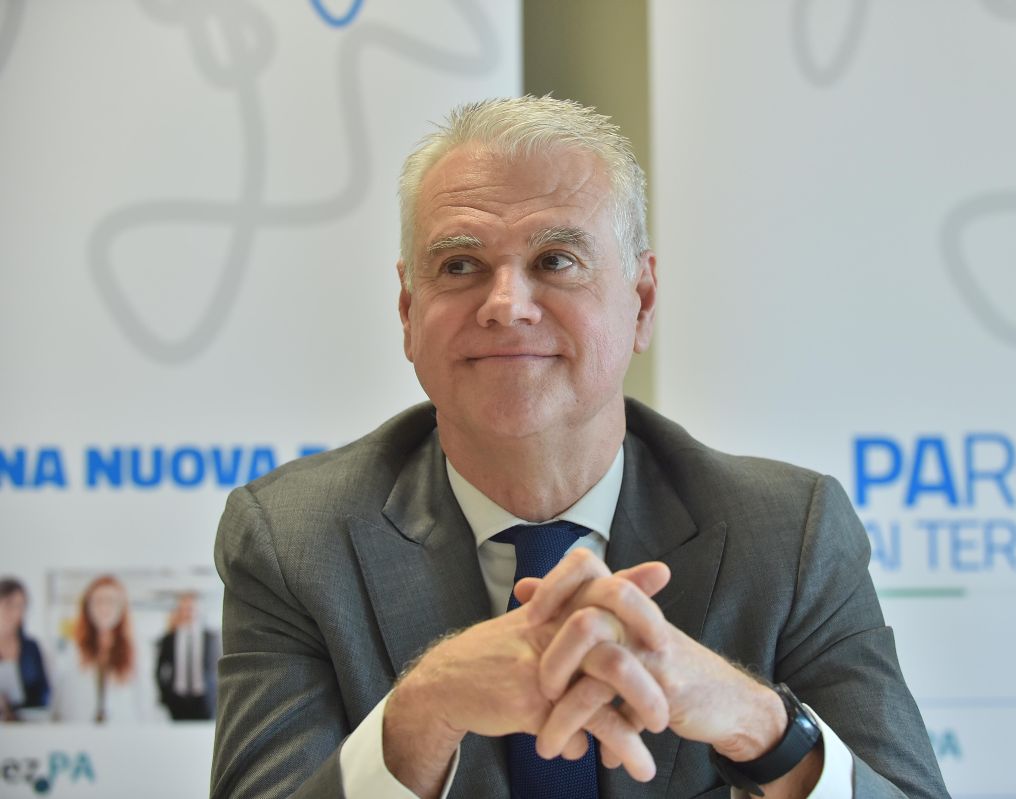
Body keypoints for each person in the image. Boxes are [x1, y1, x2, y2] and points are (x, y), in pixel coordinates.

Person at [212, 96, 949, 798]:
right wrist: (421, 711)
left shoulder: (790, 535)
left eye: (556, 260)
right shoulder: (293, 541)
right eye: (461, 265)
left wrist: (757, 724)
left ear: (642, 302)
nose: (506, 305)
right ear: (408, 313)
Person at [52, 574, 148, 723]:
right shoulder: (73, 648)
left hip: (122, 729)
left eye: (111, 601)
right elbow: (63, 700)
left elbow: (144, 701)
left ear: (121, 608)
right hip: (81, 729)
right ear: (87, 607)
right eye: (98, 601)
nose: (104, 607)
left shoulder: (136, 649)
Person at [155, 592, 220, 720]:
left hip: (205, 699)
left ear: (198, 610)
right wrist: (165, 695)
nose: (188, 612)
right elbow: (159, 670)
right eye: (184, 609)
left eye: (191, 608)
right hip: (177, 699)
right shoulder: (169, 639)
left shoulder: (210, 637)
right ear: (179, 611)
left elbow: (219, 668)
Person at [0, 577, 50, 720]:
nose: (16, 612)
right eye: (10, 604)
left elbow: (44, 693)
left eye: (21, 606)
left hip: (26, 723)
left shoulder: (31, 648)